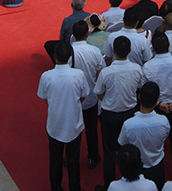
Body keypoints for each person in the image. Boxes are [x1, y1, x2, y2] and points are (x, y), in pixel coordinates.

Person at [38, 41, 89, 191]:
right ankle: (75, 188)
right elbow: (84, 95)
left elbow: (44, 96)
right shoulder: (78, 75)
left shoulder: (47, 76)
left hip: (55, 125)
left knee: (55, 159)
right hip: (74, 124)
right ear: (70, 56)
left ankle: (55, 187)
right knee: (73, 159)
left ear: (55, 56)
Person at [95, 37, 144, 190]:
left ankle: (108, 184)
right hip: (130, 113)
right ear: (129, 50)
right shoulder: (137, 69)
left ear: (114, 51)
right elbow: (140, 88)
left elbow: (99, 92)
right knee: (130, 148)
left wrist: (108, 101)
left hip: (110, 115)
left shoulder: (106, 72)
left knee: (109, 151)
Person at [118, 81, 171, 188]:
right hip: (157, 167)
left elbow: (122, 144)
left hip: (136, 168)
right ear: (156, 100)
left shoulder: (129, 125)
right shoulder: (163, 121)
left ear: (139, 97)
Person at [70, 19, 105, 171]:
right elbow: (100, 71)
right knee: (91, 129)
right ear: (87, 34)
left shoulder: (69, 52)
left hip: (75, 98)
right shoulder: (95, 51)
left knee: (73, 130)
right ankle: (93, 156)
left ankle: (73, 157)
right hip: (90, 96)